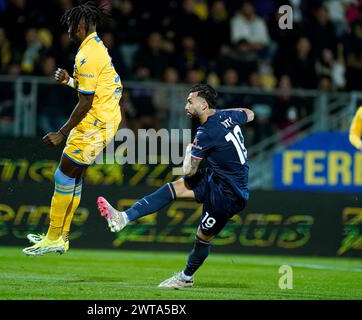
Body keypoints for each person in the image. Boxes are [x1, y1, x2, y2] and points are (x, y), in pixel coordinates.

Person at [97, 84, 254, 289]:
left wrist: (189, 152)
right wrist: (227, 114)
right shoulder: (228, 116)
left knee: (202, 237)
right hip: (217, 178)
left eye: (190, 101)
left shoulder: (206, 132)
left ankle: (186, 277)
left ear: (204, 104)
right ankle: (123, 217)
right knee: (175, 187)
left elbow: (189, 170)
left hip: (228, 194)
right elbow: (249, 113)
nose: (186, 106)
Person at [23, 2, 123, 256]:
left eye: (70, 25)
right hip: (104, 119)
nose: (67, 30)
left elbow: (86, 101)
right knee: (73, 177)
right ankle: (62, 237)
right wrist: (70, 81)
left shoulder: (88, 55)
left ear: (80, 25)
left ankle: (53, 236)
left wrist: (62, 132)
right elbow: (95, 89)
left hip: (94, 122)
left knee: (62, 176)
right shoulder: (95, 47)